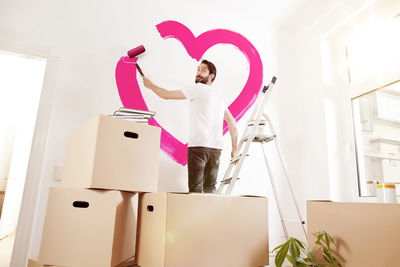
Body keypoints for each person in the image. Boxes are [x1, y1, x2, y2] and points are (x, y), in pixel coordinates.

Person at [141, 59, 238, 193]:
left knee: (195, 190)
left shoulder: (197, 89)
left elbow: (165, 95)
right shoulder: (219, 96)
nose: (198, 73)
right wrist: (234, 148)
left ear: (211, 76)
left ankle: (195, 214)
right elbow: (232, 123)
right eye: (198, 69)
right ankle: (210, 214)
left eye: (203, 71)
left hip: (198, 147)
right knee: (210, 188)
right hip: (216, 149)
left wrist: (150, 85)